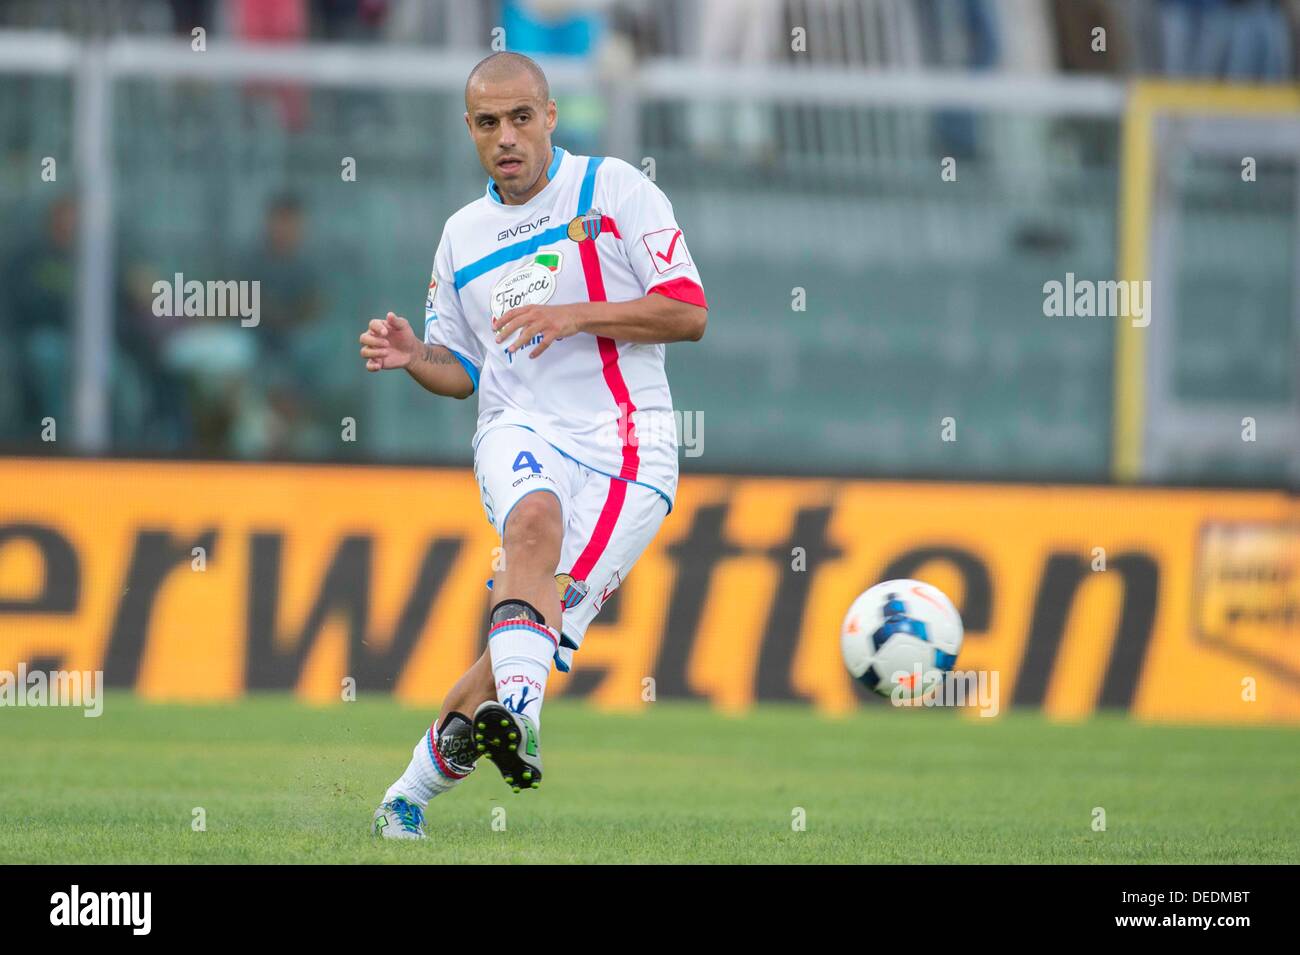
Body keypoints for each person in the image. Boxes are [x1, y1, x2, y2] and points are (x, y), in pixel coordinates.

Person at [360, 51, 707, 840]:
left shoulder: (614, 188)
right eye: (488, 123)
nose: (506, 136)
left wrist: (575, 313)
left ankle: (407, 793)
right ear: (470, 131)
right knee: (530, 526)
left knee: (524, 634)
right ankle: (523, 719)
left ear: (551, 116)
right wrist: (418, 356)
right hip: (519, 427)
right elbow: (463, 370)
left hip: (632, 451)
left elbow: (688, 311)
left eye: (521, 118)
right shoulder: (461, 236)